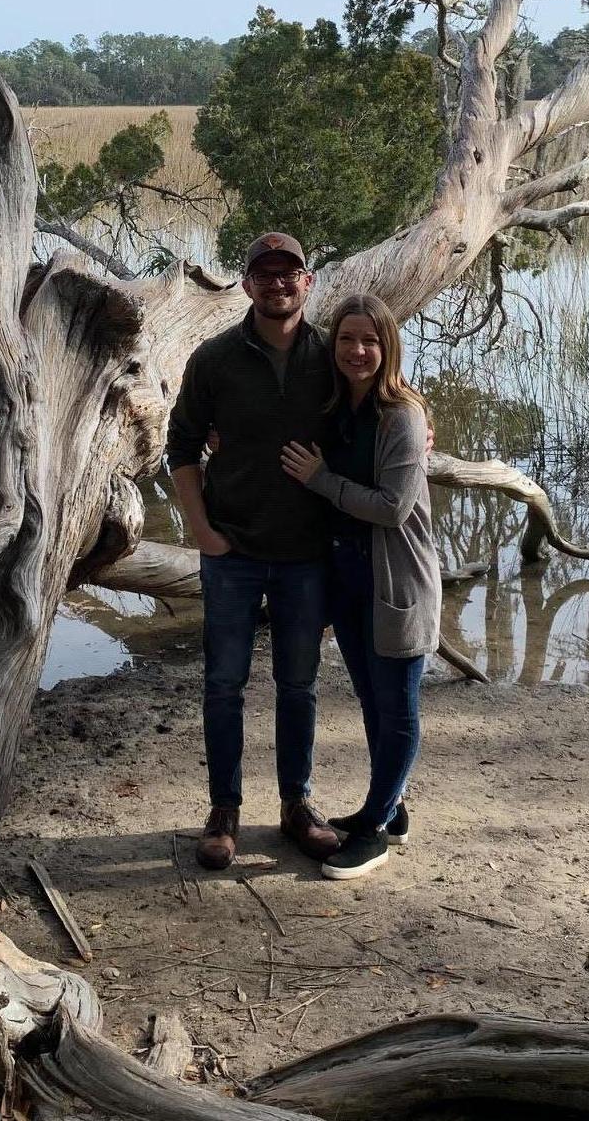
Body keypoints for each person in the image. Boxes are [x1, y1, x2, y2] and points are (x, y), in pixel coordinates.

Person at [166, 233, 341, 871]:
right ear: (245, 285)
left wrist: (420, 422)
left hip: (307, 553)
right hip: (232, 551)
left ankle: (297, 805)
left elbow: (382, 400)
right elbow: (181, 445)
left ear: (308, 282)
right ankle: (224, 811)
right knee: (223, 685)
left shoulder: (331, 355)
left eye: (289, 273)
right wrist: (201, 531)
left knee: (299, 684)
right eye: (264, 274)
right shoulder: (214, 359)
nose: (277, 284)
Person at [280, 293, 441, 881]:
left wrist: (321, 480)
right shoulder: (337, 406)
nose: (357, 351)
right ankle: (391, 810)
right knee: (373, 701)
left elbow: (393, 508)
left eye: (370, 340)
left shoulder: (402, 415)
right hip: (350, 583)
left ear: (388, 346)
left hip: (397, 582)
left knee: (397, 710)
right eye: (347, 339)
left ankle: (373, 831)